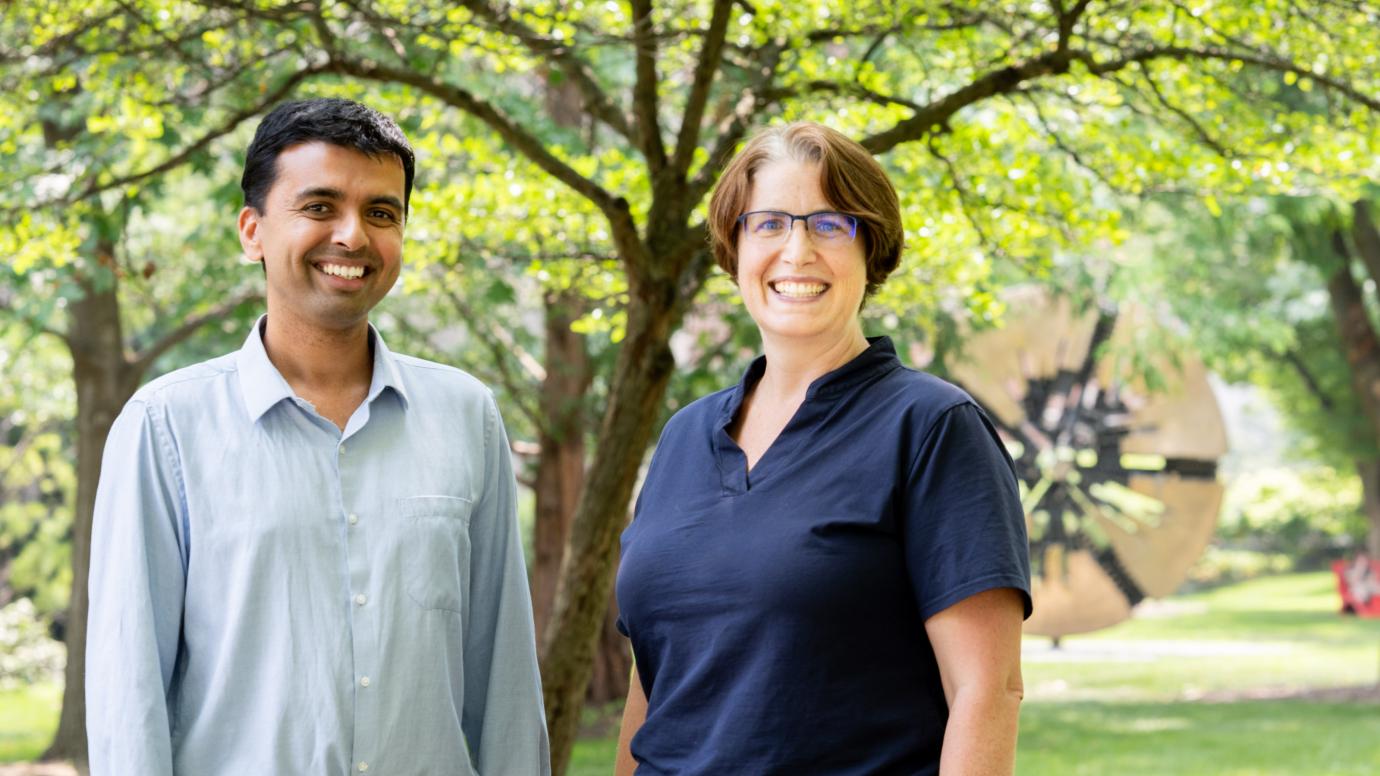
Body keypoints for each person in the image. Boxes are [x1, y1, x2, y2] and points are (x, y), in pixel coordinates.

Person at [86, 98, 550, 775]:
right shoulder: (165, 428)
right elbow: (129, 696)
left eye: (382, 213)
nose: (354, 236)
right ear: (253, 231)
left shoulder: (467, 416)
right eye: (320, 207)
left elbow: (504, 681)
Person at [613, 122, 1032, 775]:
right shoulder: (683, 439)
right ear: (734, 245)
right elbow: (654, 687)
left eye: (831, 224)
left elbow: (988, 691)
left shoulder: (931, 427)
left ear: (873, 249)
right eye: (769, 223)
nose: (797, 249)